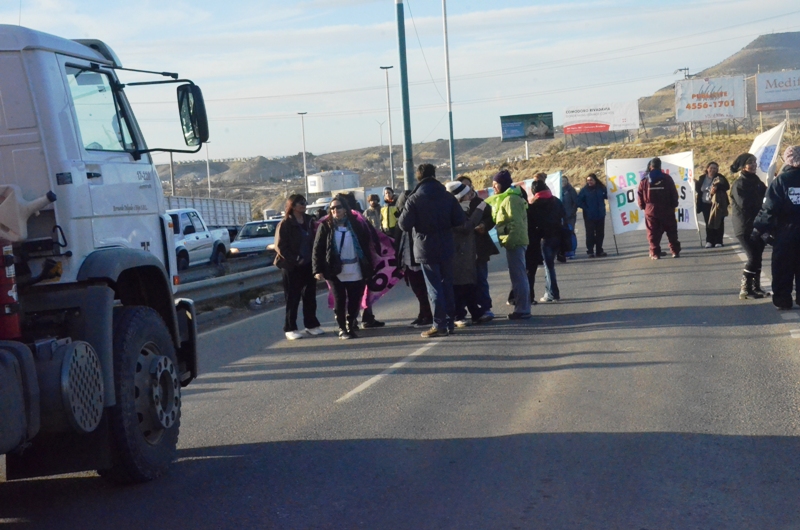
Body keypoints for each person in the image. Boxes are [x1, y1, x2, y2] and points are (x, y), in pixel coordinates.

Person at [398, 163, 466, 337]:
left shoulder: (414, 198)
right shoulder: (447, 196)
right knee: (447, 285)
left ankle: (439, 324)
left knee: (434, 287)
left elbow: (404, 225)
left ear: (419, 177)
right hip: (446, 244)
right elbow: (459, 219)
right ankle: (450, 322)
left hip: (425, 247)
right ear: (434, 175)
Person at [312, 195, 374, 339]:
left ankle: (350, 323)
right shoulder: (325, 226)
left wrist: (369, 266)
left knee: (354, 300)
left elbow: (366, 246)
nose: (335, 210)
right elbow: (317, 248)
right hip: (335, 270)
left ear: (345, 209)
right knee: (339, 300)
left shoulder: (357, 225)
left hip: (355, 269)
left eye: (338, 207)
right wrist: (317, 269)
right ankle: (341, 328)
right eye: (332, 208)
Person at [753, 146, 800, 310]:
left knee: (782, 267)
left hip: (786, 232)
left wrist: (758, 228)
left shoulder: (782, 181)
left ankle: (783, 299)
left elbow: (769, 208)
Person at [274, 194, 324, 340]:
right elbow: (280, 246)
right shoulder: (285, 224)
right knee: (292, 297)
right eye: (300, 203)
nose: (304, 205)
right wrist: (296, 259)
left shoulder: (309, 221)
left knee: (310, 296)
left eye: (305, 202)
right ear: (293, 206)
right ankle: (290, 327)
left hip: (309, 264)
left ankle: (311, 325)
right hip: (292, 266)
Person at [485, 169, 531, 320]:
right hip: (513, 241)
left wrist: (509, 241)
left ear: (502, 184)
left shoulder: (510, 199)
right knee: (517, 276)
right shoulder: (506, 198)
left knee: (519, 277)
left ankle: (522, 309)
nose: (493, 187)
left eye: (496, 184)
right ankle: (521, 307)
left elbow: (516, 224)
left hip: (515, 242)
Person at [446, 180, 491, 326]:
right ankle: (458, 315)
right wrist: (479, 210)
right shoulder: (453, 210)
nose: (470, 197)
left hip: (466, 252)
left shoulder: (460, 208)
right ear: (460, 197)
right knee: (459, 285)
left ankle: (474, 312)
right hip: (457, 252)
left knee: (469, 284)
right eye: (467, 195)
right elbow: (466, 227)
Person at [457, 175, 499, 317]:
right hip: (462, 251)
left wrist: (484, 225)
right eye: (462, 187)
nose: (466, 190)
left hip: (480, 246)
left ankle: (485, 307)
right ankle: (462, 311)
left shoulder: (480, 203)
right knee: (463, 282)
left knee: (481, 278)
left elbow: (491, 219)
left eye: (468, 186)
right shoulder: (454, 205)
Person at [730, 152, 768, 300]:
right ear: (742, 166)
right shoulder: (739, 184)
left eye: (754, 162)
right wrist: (761, 208)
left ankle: (756, 287)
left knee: (758, 256)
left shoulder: (757, 180)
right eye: (750, 162)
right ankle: (745, 289)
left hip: (758, 225)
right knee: (752, 256)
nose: (753, 165)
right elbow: (745, 205)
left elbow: (767, 194)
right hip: (745, 226)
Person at [395, 190, 434, 328]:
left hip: (417, 259)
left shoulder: (418, 218)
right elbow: (398, 241)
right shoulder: (401, 219)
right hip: (407, 260)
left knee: (421, 289)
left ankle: (427, 314)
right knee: (418, 289)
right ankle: (423, 313)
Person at [529, 180, 567, 302]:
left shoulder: (535, 204)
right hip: (558, 236)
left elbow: (532, 223)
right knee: (549, 266)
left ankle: (552, 293)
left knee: (549, 266)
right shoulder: (556, 200)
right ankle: (549, 291)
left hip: (545, 238)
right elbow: (563, 215)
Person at [637, 157, 681, 260]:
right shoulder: (667, 178)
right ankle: (675, 251)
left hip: (651, 210)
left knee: (652, 232)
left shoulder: (644, 180)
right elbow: (673, 192)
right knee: (671, 231)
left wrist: (643, 206)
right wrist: (674, 204)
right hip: (667, 209)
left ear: (650, 166)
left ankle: (655, 252)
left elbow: (639, 194)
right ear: (660, 166)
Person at [695, 161, 730, 248]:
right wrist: (695, 183)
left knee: (719, 222)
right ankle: (709, 241)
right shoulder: (702, 178)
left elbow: (727, 186)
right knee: (708, 222)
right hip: (705, 203)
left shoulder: (720, 177)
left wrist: (717, 187)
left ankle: (718, 241)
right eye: (711, 168)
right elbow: (699, 190)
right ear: (707, 169)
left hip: (717, 203)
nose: (713, 170)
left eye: (715, 168)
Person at [576, 173, 608, 257]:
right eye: (588, 180)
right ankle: (590, 250)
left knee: (600, 233)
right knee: (590, 233)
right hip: (589, 215)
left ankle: (599, 250)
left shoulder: (601, 188)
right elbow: (578, 201)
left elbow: (607, 196)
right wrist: (586, 208)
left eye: (591, 180)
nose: (589, 182)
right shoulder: (584, 190)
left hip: (600, 214)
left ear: (595, 180)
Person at [560, 175, 579, 261]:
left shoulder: (571, 190)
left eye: (564, 180)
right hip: (560, 216)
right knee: (562, 234)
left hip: (570, 216)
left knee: (570, 233)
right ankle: (563, 251)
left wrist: (572, 212)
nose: (563, 182)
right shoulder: (558, 191)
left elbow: (575, 202)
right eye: (561, 181)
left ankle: (572, 250)